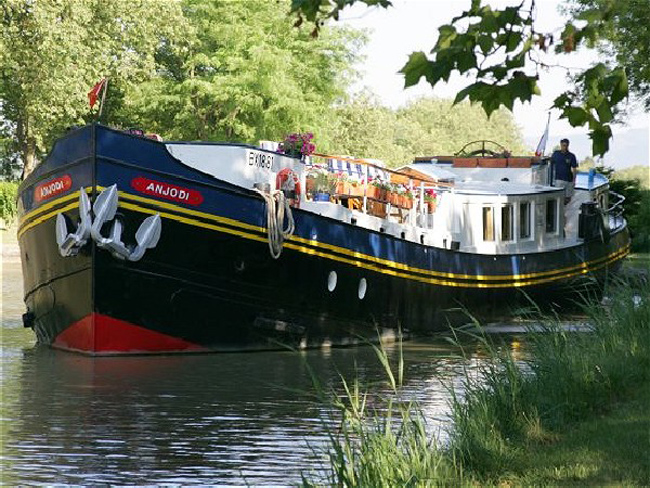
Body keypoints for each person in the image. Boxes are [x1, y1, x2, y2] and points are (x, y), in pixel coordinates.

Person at [550, 138, 578, 204]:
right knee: (558, 197)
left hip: (569, 180)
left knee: (568, 198)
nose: (564, 147)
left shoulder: (572, 156)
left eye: (566, 145)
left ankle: (565, 210)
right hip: (559, 179)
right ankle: (560, 212)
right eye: (563, 145)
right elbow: (550, 163)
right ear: (560, 145)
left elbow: (574, 169)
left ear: (568, 145)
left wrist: (574, 180)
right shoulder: (556, 154)